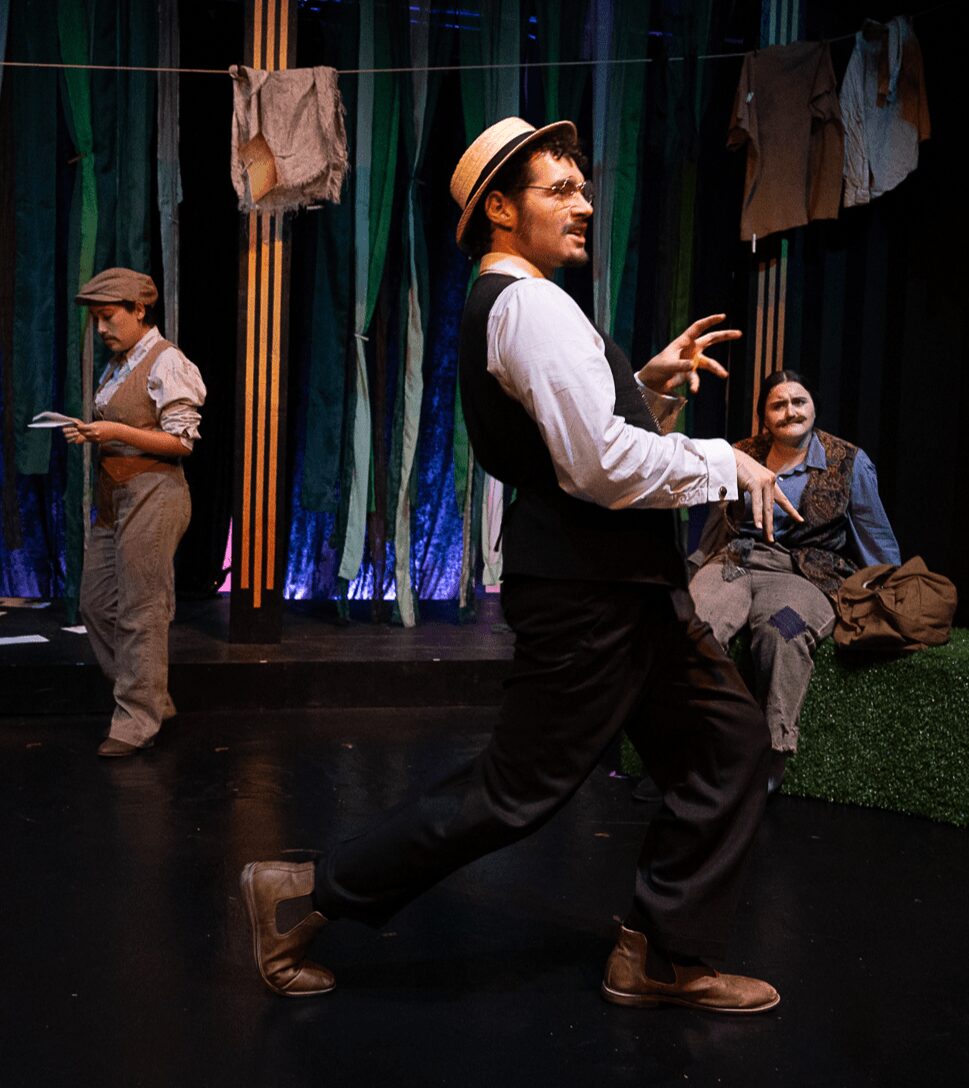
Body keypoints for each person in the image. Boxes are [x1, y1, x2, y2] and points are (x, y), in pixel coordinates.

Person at [240, 118, 800, 1013]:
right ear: (500, 208)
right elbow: (598, 465)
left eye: (583, 189)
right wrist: (723, 462)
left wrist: (646, 387)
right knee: (517, 790)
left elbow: (579, 435)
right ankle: (302, 894)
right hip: (590, 593)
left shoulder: (517, 301)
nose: (584, 206)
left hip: (624, 587)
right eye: (559, 190)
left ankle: (662, 955)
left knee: (726, 747)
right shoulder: (529, 306)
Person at [689, 370, 900, 791]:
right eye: (778, 405)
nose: (790, 412)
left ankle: (772, 754)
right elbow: (718, 524)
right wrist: (695, 569)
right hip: (736, 561)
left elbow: (875, 537)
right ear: (765, 417)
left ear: (814, 407)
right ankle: (690, 748)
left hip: (802, 572)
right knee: (697, 626)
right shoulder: (741, 454)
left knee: (781, 632)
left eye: (799, 402)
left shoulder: (848, 461)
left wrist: (889, 594)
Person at [65, 268, 205, 758]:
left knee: (141, 610)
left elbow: (181, 441)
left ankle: (135, 720)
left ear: (139, 310)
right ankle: (151, 694)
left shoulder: (167, 362)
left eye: (109, 317)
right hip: (115, 495)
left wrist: (113, 433)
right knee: (96, 604)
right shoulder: (118, 365)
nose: (102, 329)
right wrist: (93, 431)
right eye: (96, 320)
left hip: (156, 492)